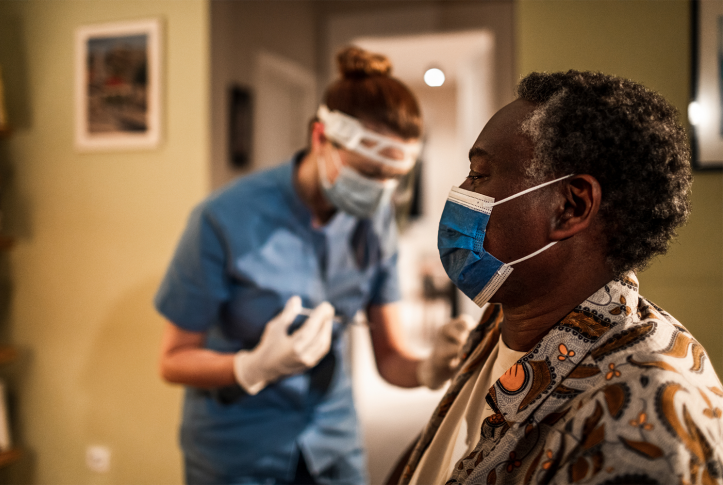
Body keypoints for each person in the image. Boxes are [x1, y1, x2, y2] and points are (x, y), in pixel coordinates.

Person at [155, 46, 473, 485]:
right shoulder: (224, 219)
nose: (381, 192)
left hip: (332, 444)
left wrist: (427, 368)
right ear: (320, 137)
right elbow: (173, 360)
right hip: (238, 449)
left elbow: (390, 357)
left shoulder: (374, 220)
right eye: (368, 172)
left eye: (394, 178)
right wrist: (250, 367)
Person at [397, 70, 723, 485]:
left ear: (571, 206)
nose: (462, 190)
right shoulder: (503, 321)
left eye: (479, 175)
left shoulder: (639, 420)